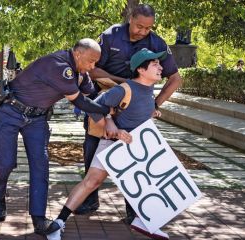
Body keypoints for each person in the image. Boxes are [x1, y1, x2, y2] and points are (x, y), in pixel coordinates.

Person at [0, 38, 113, 237]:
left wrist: (114, 103)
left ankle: (39, 219)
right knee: (6, 163)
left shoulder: (80, 72)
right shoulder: (59, 66)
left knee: (41, 165)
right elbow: (81, 102)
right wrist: (108, 110)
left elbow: (91, 95)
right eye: (91, 61)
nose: (93, 66)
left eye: (95, 62)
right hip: (9, 113)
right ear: (78, 54)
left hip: (37, 119)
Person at [46, 49, 170, 240]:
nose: (161, 67)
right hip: (113, 146)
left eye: (159, 64)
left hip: (136, 149)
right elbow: (94, 106)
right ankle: (58, 223)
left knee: (148, 184)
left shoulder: (148, 91)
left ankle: (143, 221)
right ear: (141, 70)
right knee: (91, 182)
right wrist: (111, 124)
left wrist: (151, 113)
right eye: (155, 64)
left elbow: (134, 112)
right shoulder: (124, 89)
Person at [76, 4, 182, 225]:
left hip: (136, 110)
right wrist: (127, 84)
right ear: (130, 18)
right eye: (139, 26)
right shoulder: (110, 35)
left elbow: (175, 79)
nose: (143, 32)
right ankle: (89, 200)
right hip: (104, 103)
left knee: (137, 161)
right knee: (92, 151)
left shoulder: (157, 43)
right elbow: (92, 69)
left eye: (148, 28)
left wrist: (155, 103)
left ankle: (135, 210)